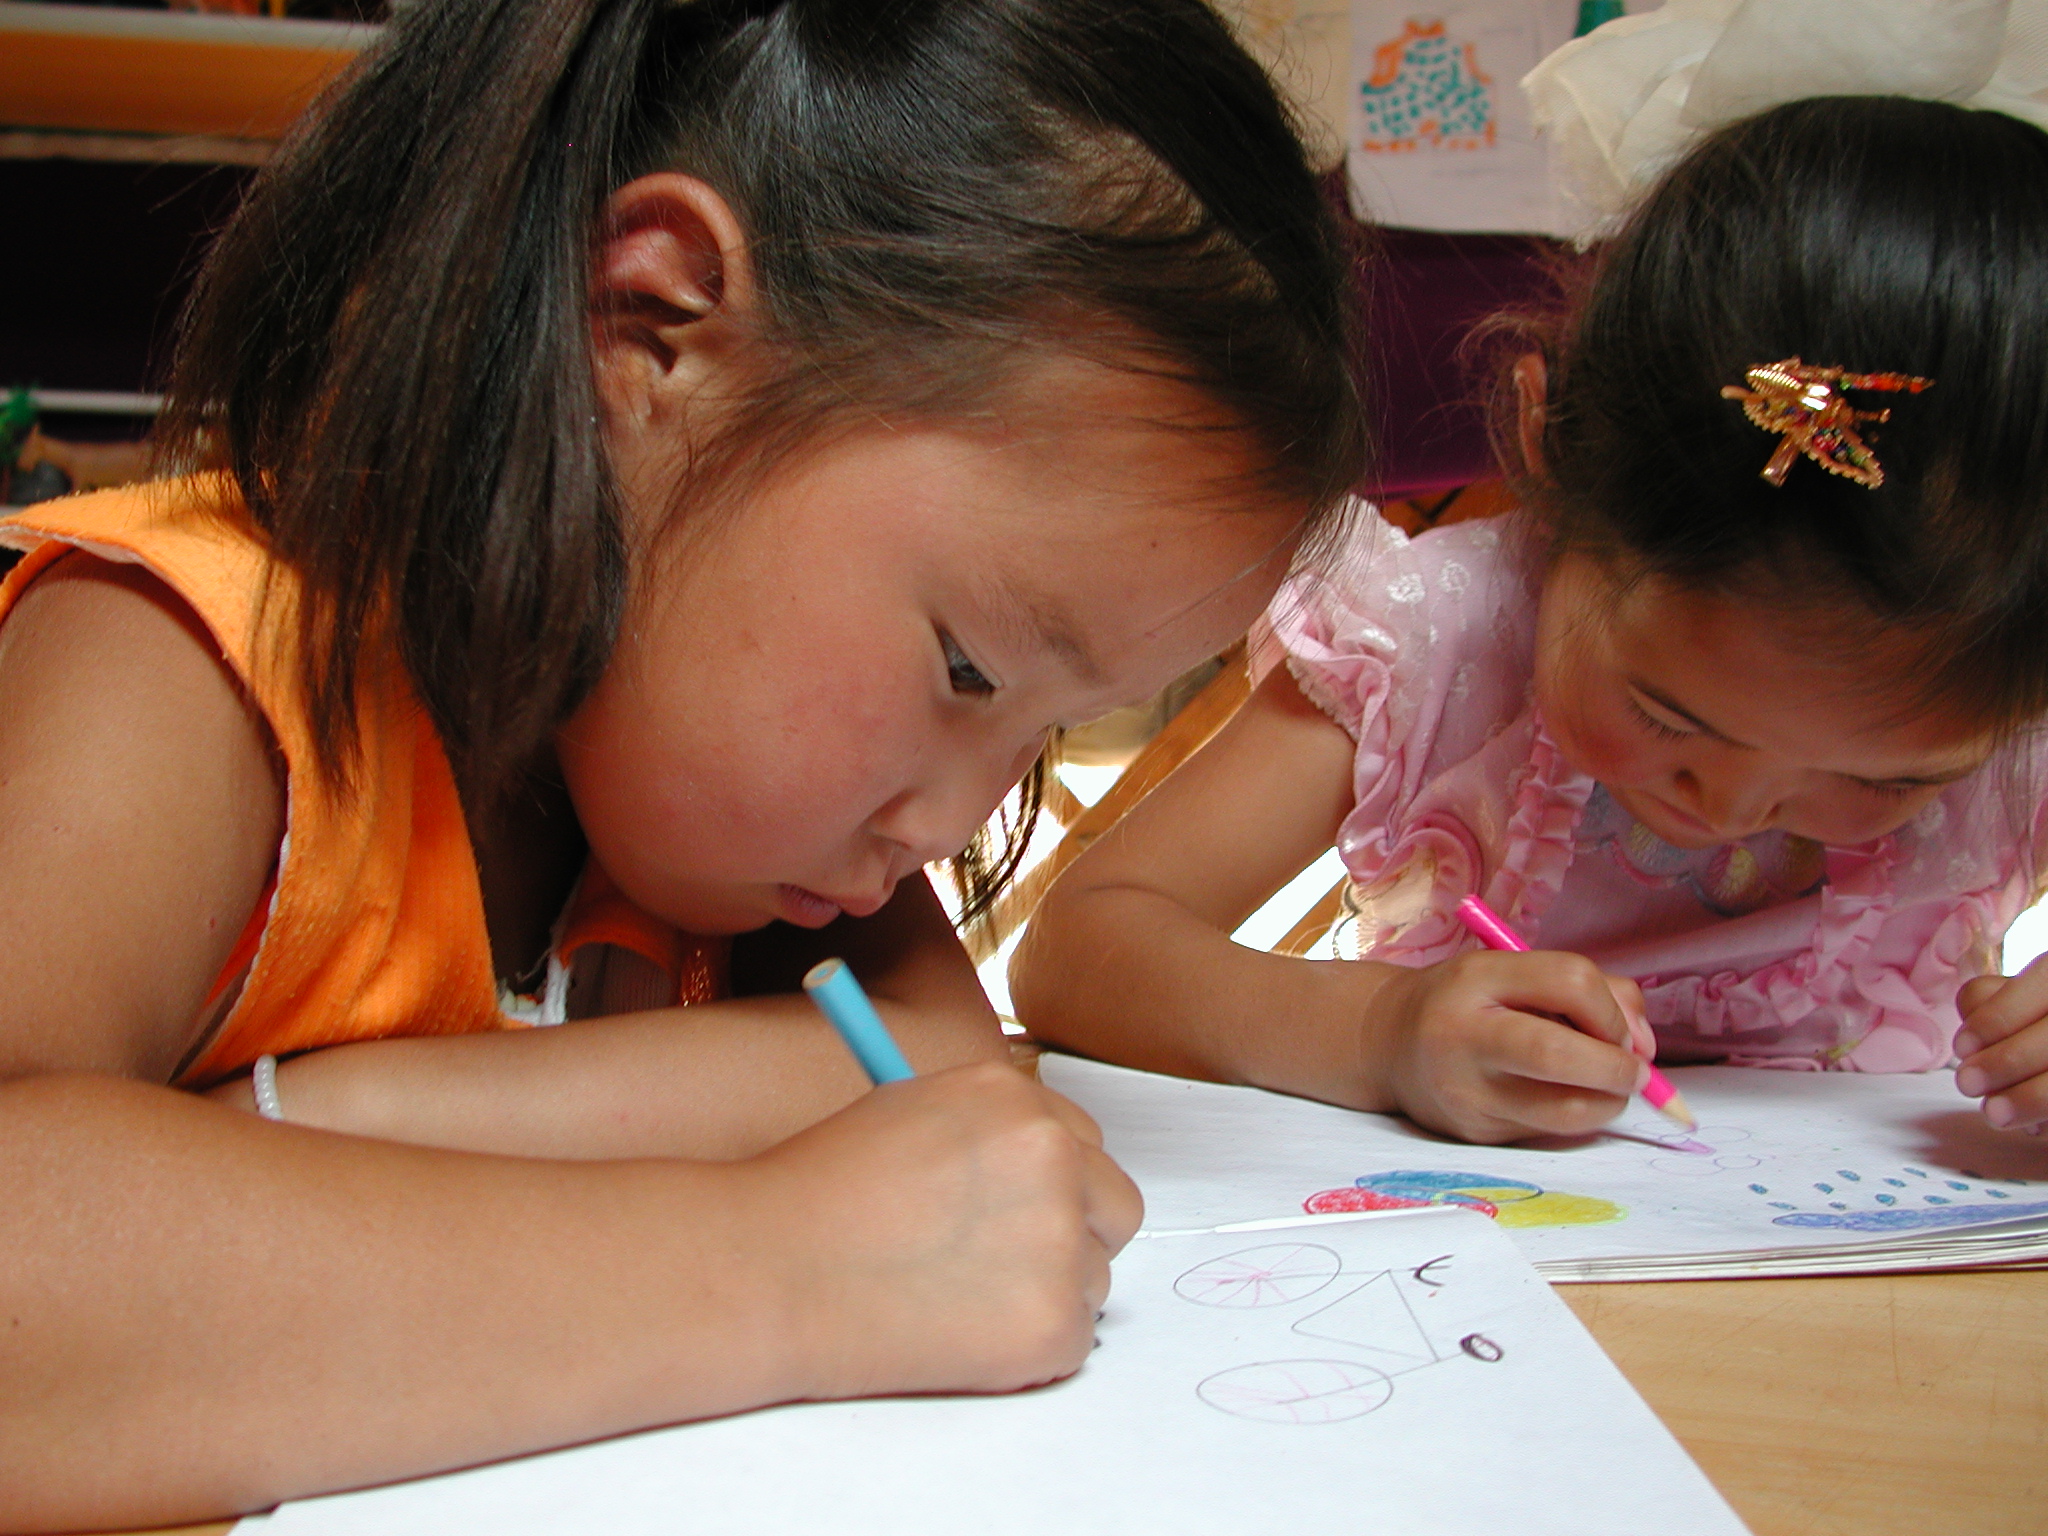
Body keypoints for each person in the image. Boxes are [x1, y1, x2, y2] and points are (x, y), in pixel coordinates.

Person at [0, 0, 1366, 1525]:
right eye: (970, 667)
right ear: (652, 331)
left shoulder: (718, 824)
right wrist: (780, 1268)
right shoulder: (192, 668)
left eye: (1048, 729)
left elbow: (945, 1064)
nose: (959, 817)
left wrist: (326, 1121)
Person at [1013, 92, 2048, 1148]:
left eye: (1887, 778)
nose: (1733, 805)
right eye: (1665, 712)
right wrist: (1378, 1033)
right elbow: (1076, 951)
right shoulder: (1437, 645)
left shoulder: (2013, 727)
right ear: (1546, 444)